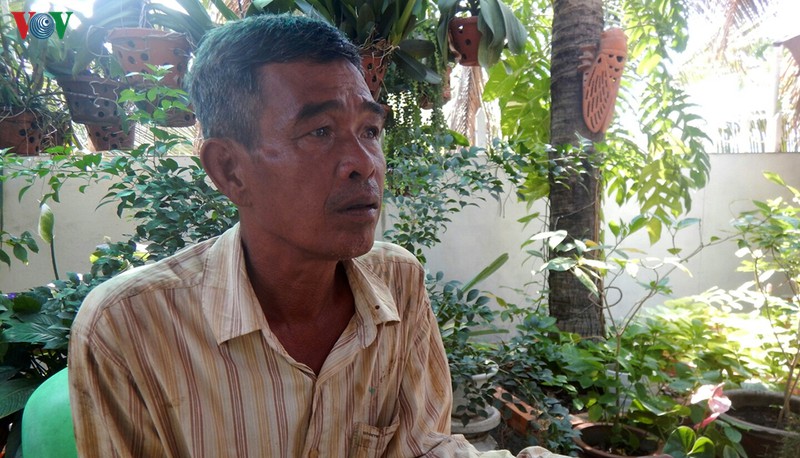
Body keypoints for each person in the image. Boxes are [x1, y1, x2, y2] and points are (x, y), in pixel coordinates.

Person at [68, 13, 562, 458]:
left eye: (369, 131)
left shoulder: (398, 282)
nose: (364, 164)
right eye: (320, 131)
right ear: (230, 170)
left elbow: (421, 446)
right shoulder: (129, 328)